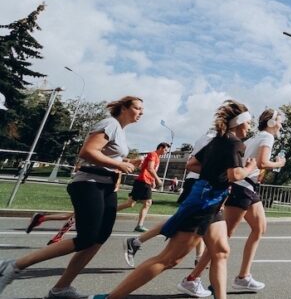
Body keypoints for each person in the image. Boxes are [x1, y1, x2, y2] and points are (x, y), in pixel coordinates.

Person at [97, 100, 258, 299]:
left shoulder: (218, 140)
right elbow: (235, 175)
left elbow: (192, 164)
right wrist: (250, 168)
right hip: (204, 201)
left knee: (221, 251)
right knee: (169, 259)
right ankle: (112, 297)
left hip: (211, 201)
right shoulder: (235, 143)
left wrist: (216, 174)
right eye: (249, 123)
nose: (250, 127)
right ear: (240, 123)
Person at [0, 96, 143, 299]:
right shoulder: (109, 124)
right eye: (138, 108)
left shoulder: (120, 129)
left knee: (99, 239)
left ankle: (61, 288)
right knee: (87, 238)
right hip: (88, 184)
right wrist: (119, 165)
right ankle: (13, 265)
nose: (141, 112)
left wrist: (126, 161)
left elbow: (107, 155)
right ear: (124, 108)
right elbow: (88, 151)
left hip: (106, 187)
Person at [177, 108, 286, 295]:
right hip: (242, 188)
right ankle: (192, 278)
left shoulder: (254, 137)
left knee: (259, 228)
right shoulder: (267, 137)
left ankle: (243, 277)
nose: (281, 125)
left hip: (248, 187)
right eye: (280, 121)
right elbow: (262, 162)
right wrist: (279, 163)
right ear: (270, 123)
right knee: (222, 238)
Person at [122, 130, 215, 273]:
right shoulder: (215, 138)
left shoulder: (207, 136)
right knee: (192, 222)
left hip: (198, 181)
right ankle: (137, 243)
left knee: (202, 223)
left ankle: (198, 259)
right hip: (201, 182)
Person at [118, 142, 170, 232]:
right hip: (143, 181)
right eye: (165, 150)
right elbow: (150, 168)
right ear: (161, 148)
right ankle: (139, 225)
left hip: (144, 181)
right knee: (147, 203)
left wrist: (153, 180)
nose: (166, 152)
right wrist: (157, 179)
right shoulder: (153, 154)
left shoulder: (157, 157)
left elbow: (151, 169)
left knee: (130, 203)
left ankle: (108, 211)